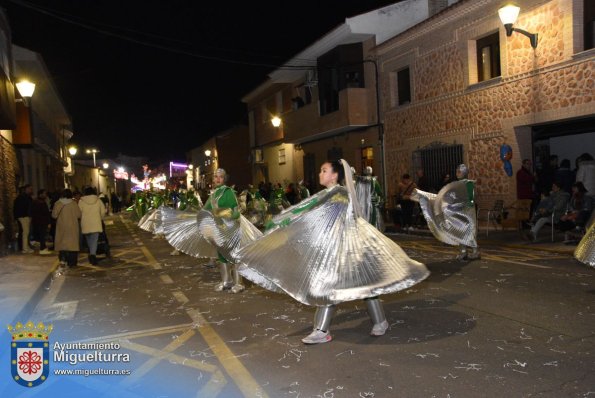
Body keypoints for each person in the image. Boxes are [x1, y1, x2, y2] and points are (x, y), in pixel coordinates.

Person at [236, 160, 429, 344]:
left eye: (324, 170)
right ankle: (323, 330)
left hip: (353, 248)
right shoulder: (326, 194)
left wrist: (289, 220)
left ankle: (378, 321)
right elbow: (308, 211)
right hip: (336, 249)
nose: (320, 173)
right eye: (320, 170)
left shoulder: (339, 194)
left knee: (364, 284)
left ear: (335, 175)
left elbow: (315, 214)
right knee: (332, 285)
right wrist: (285, 221)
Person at [200, 168, 262, 293]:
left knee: (234, 254)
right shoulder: (214, 194)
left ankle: (239, 283)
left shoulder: (228, 192)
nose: (218, 179)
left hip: (231, 227)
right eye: (216, 177)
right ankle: (226, 281)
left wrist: (227, 217)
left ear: (224, 179)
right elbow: (205, 210)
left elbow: (235, 211)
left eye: (221, 177)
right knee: (222, 254)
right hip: (219, 228)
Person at [412, 164, 481, 261]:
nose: (457, 173)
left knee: (470, 232)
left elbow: (471, 200)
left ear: (464, 173)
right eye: (457, 171)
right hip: (459, 212)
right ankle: (463, 252)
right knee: (460, 231)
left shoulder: (469, 184)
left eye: (459, 171)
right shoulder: (456, 184)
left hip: (468, 213)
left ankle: (475, 252)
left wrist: (461, 205)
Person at [52, 189, 82, 267]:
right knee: (72, 244)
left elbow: (54, 215)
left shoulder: (58, 203)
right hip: (72, 226)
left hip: (61, 226)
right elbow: (79, 214)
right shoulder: (73, 203)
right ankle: (72, 262)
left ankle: (63, 259)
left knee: (62, 243)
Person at [78, 187, 106, 265]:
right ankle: (92, 255)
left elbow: (79, 213)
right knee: (94, 240)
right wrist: (100, 218)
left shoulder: (81, 201)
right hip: (96, 223)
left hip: (85, 224)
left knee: (89, 240)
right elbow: (103, 211)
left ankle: (91, 253)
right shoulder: (98, 200)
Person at [355, 166, 385, 231]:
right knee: (372, 219)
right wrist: (380, 199)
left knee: (361, 220)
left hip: (360, 205)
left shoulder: (359, 181)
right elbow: (380, 192)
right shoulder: (374, 181)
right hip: (371, 204)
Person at [31, 189, 52, 255]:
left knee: (42, 235)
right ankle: (42, 248)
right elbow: (45, 213)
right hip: (42, 221)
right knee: (42, 235)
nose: (45, 195)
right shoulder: (41, 202)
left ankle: (43, 247)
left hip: (38, 221)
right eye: (44, 193)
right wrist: (48, 221)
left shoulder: (36, 201)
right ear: (40, 194)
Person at [13, 184, 33, 254]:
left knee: (26, 232)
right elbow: (22, 208)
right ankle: (25, 248)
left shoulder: (25, 197)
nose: (31, 190)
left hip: (25, 216)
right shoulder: (22, 198)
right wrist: (26, 215)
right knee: (25, 232)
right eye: (30, 189)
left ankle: (26, 246)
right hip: (24, 216)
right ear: (26, 189)